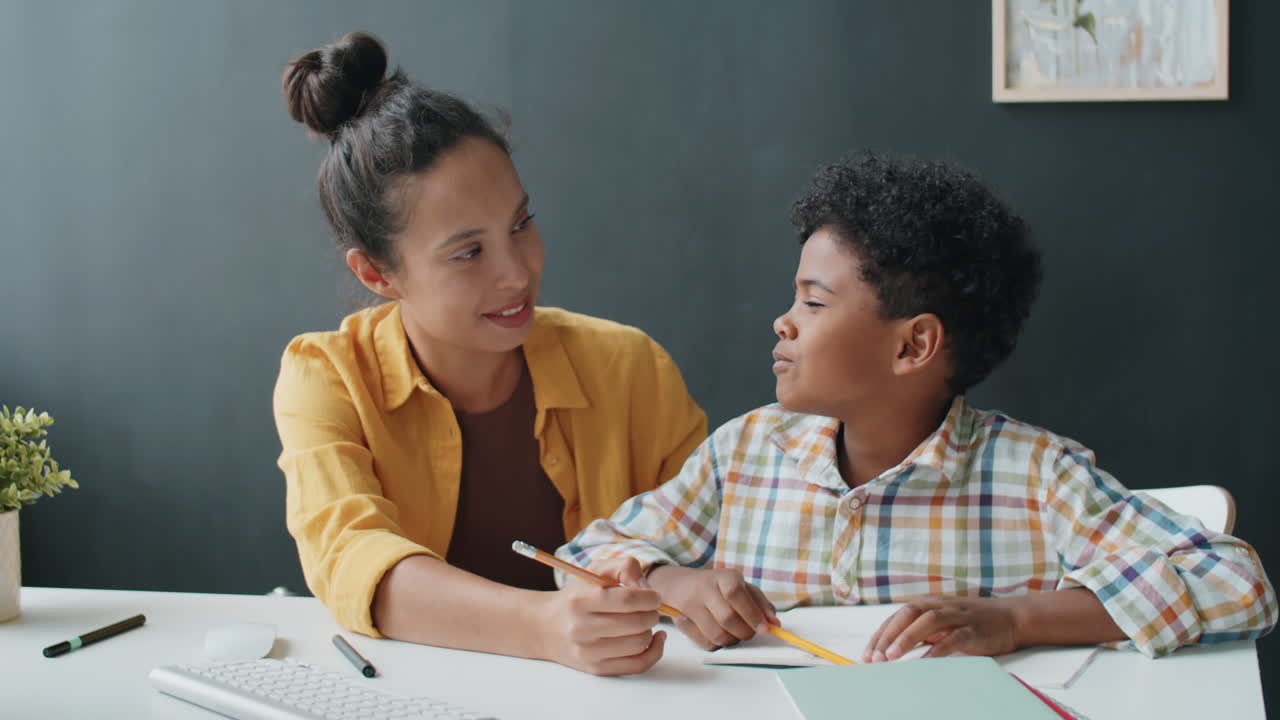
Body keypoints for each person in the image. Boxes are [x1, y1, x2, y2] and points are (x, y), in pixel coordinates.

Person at [559, 152, 1277, 661]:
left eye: (813, 302)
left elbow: (1237, 585)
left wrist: (1015, 619)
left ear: (914, 346)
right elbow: (582, 557)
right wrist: (673, 583)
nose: (783, 322)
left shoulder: (1036, 476)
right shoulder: (745, 452)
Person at [272, 32, 706, 676]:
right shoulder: (328, 376)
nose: (518, 271)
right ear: (376, 274)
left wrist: (657, 572)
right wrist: (548, 627)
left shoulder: (631, 367)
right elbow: (352, 558)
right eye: (468, 252)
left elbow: (714, 542)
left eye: (521, 224)